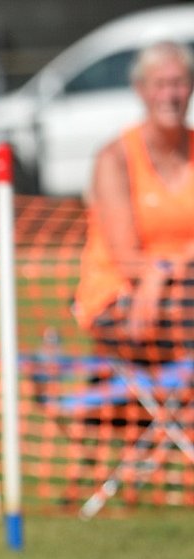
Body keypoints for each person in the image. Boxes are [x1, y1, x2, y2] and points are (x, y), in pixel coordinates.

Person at [75, 41, 194, 363]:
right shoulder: (115, 158)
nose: (170, 95)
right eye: (160, 84)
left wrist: (164, 271)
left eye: (179, 83)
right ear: (141, 90)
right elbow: (126, 258)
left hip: (180, 286)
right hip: (121, 292)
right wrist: (158, 272)